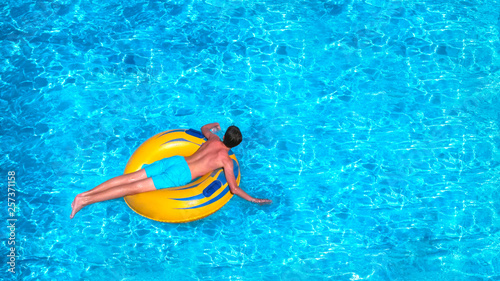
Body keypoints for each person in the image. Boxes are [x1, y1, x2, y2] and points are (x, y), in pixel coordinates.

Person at [70, 123, 272, 219]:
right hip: (180, 175)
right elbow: (234, 189)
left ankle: (85, 194)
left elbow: (204, 128)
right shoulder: (226, 161)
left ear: (225, 134)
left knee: (128, 178)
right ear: (235, 145)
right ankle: (85, 200)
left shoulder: (213, 140)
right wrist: (255, 200)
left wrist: (214, 126)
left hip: (176, 161)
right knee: (131, 188)